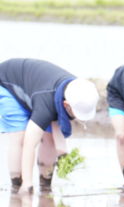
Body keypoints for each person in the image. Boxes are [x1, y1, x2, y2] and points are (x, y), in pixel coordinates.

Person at [0, 58, 98, 194]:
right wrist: (28, 183)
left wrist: (62, 152)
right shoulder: (46, 103)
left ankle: (45, 186)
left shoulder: (78, 90)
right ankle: (17, 186)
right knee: (20, 138)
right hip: (8, 81)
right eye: (77, 114)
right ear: (67, 105)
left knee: (49, 139)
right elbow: (30, 143)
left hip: (36, 88)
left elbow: (57, 117)